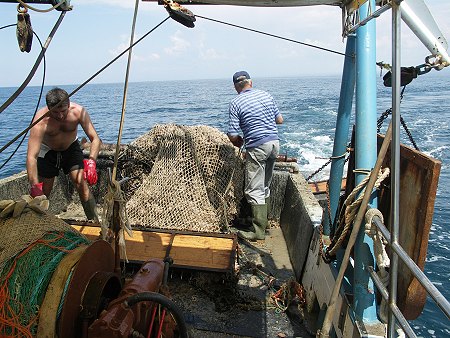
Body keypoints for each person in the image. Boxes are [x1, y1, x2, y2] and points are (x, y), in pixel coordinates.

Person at [26, 87, 102, 222]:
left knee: (81, 183)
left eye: (63, 110)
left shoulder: (79, 112)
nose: (60, 115)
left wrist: (91, 162)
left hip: (71, 148)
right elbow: (32, 157)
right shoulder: (40, 121)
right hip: (48, 152)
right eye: (55, 112)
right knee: (43, 193)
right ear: (48, 107)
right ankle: (38, 225)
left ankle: (95, 221)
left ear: (69, 104)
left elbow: (95, 139)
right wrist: (34, 185)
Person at [227, 71, 283, 240]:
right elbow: (279, 120)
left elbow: (231, 134)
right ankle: (264, 224)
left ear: (236, 86)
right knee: (265, 185)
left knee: (253, 189)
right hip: (274, 144)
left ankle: (258, 231)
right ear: (250, 82)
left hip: (257, 147)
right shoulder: (266, 95)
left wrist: (238, 141)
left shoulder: (236, 102)